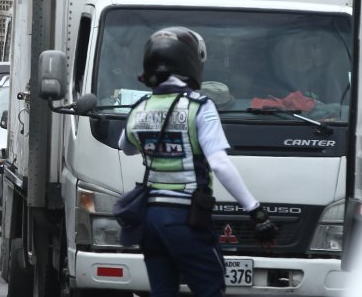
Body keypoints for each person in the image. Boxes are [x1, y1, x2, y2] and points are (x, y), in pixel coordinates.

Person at [119, 27, 278, 297]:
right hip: (185, 219)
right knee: (209, 288)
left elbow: (126, 147)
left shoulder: (140, 108)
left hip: (150, 220)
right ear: (190, 63)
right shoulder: (199, 106)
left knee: (162, 291)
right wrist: (256, 211)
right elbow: (219, 164)